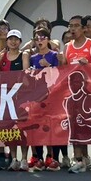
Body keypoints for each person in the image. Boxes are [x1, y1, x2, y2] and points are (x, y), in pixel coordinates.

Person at [63, 15, 91, 173]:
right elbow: (63, 71)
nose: (72, 29)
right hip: (74, 94)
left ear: (84, 28)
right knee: (75, 124)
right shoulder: (67, 47)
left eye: (76, 26)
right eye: (70, 26)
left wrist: (90, 65)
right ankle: (79, 159)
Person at [24, 27, 60, 171]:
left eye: (43, 38)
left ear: (48, 40)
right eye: (37, 38)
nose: (40, 41)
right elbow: (28, 77)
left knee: (51, 126)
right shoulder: (32, 58)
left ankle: (51, 157)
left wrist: (49, 66)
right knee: (36, 127)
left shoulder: (54, 55)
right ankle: (38, 157)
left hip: (52, 96)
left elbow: (61, 74)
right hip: (36, 97)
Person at [0, 29, 29, 171]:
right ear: (7, 41)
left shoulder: (24, 55)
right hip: (6, 97)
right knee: (10, 128)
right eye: (11, 39)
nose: (13, 42)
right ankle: (14, 158)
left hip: (21, 96)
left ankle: (24, 159)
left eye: (16, 39)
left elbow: (26, 73)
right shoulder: (2, 56)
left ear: (20, 41)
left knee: (23, 128)